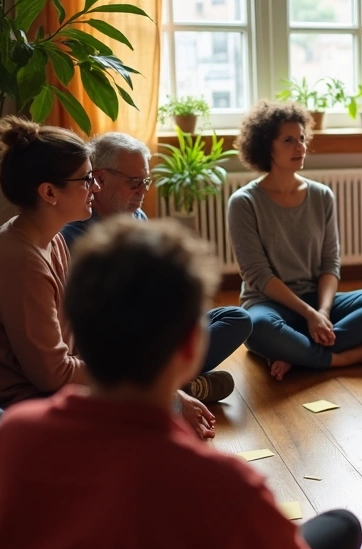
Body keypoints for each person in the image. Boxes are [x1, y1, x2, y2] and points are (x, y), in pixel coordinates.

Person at [0, 217, 362, 549]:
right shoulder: (222, 486)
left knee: (343, 527)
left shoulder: (14, 434)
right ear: (192, 347)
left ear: (77, 329)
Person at [0, 116, 216, 438]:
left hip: (51, 385)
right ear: (49, 192)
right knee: (152, 419)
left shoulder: (50, 239)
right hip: (18, 403)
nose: (95, 187)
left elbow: (73, 342)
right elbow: (54, 374)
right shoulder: (21, 261)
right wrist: (152, 386)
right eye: (86, 179)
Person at [59, 132, 251, 403]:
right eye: (135, 182)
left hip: (152, 331)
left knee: (237, 318)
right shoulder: (73, 235)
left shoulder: (137, 217)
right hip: (118, 344)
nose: (144, 190)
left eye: (146, 181)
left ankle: (166, 387)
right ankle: (172, 388)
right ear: (100, 179)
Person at [228, 101, 362, 380]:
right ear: (265, 146)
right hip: (269, 305)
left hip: (318, 301)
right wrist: (309, 315)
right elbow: (258, 275)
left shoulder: (322, 195)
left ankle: (297, 355)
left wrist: (322, 311)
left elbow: (329, 264)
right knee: (257, 327)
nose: (299, 147)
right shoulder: (244, 202)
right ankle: (340, 358)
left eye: (301, 139)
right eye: (288, 140)